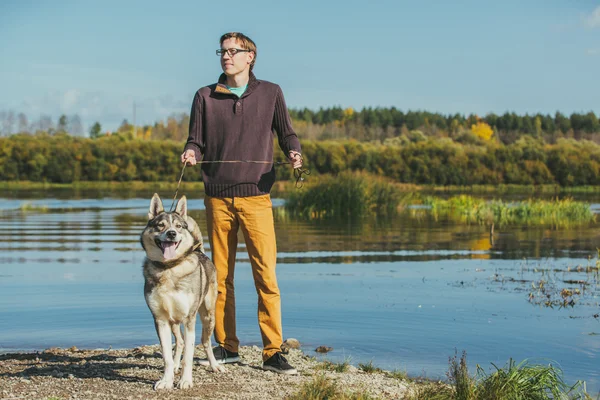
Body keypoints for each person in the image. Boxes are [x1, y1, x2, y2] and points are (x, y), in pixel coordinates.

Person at [180, 32, 302, 375]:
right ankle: (226, 346)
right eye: (222, 51)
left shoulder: (271, 92)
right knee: (220, 277)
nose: (226, 56)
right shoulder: (205, 96)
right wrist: (191, 151)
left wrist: (294, 151)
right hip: (217, 198)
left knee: (266, 276)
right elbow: (196, 139)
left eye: (234, 51)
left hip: (257, 198)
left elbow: (287, 132)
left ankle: (273, 351)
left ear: (251, 56)